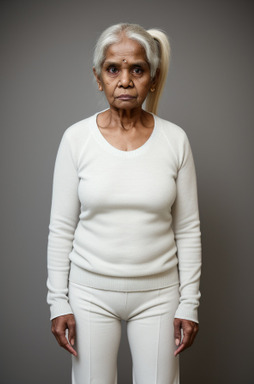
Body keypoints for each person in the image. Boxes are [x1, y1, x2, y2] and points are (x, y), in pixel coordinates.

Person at [47, 23, 202, 384]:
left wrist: (189, 304)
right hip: (89, 294)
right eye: (113, 69)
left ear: (152, 76)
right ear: (99, 78)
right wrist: (59, 302)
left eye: (137, 69)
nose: (125, 80)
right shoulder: (76, 139)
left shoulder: (175, 140)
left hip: (160, 296)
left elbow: (188, 229)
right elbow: (61, 228)